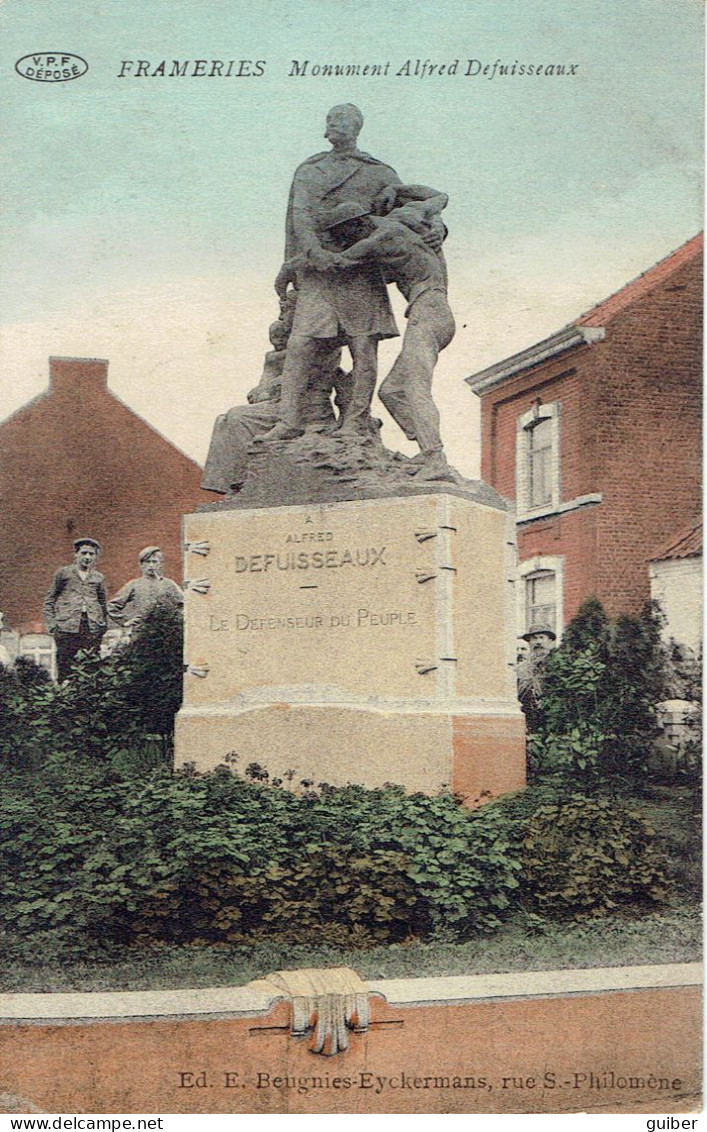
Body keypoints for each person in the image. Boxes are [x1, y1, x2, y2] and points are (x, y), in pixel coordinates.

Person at [265, 103, 400, 440]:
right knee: (300, 344)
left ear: (357, 127)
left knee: (363, 348)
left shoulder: (379, 172)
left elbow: (406, 216)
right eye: (329, 119)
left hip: (360, 271)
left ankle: (355, 421)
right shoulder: (310, 170)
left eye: (341, 120)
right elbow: (301, 219)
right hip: (319, 272)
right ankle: (289, 421)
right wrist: (316, 254)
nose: (333, 125)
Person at [319, 188, 456, 479]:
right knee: (391, 391)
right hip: (431, 311)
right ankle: (426, 449)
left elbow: (339, 262)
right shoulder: (404, 216)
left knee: (415, 387)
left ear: (357, 225)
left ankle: (436, 459)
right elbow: (439, 198)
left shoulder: (377, 239)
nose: (347, 240)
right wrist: (401, 193)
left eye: (345, 234)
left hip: (429, 309)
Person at [202, 295, 352, 494]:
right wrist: (265, 390)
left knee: (237, 416)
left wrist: (270, 388)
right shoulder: (278, 353)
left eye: (287, 312)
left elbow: (303, 377)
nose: (282, 317)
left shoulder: (322, 343)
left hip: (306, 410)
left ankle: (244, 480)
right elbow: (263, 386)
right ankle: (231, 483)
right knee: (223, 420)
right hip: (278, 405)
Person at [43, 538, 108, 682]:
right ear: (76, 554)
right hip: (66, 627)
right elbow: (50, 600)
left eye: (91, 554)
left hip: (91, 627)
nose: (87, 557)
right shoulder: (63, 574)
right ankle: (64, 696)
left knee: (91, 665)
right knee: (66, 664)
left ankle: (88, 698)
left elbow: (103, 603)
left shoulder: (98, 578)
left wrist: (102, 626)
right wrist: (52, 625)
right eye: (84, 553)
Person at [107, 547, 183, 642]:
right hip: (141, 634)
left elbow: (184, 605)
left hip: (165, 634)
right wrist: (126, 621)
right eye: (147, 562)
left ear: (160, 564)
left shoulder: (169, 584)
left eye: (154, 562)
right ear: (141, 565)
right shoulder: (134, 585)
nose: (151, 565)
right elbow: (111, 606)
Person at [516, 623, 557, 731]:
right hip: (527, 716)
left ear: (550, 641)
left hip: (552, 716)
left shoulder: (558, 664)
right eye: (534, 638)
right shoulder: (521, 668)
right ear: (529, 642)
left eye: (541, 638)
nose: (538, 642)